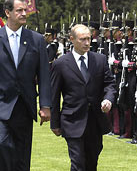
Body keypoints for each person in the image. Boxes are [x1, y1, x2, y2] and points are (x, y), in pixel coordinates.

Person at [0, 0, 52, 171]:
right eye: (19, 10)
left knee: (22, 154)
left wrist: (45, 105)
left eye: (25, 10)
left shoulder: (37, 39)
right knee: (1, 144)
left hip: (24, 105)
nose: (24, 13)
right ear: (7, 12)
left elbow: (44, 75)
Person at [50, 24, 116, 171]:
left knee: (92, 162)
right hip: (72, 120)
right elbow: (54, 95)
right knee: (78, 163)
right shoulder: (60, 64)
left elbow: (110, 84)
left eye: (89, 39)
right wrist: (54, 123)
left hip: (95, 121)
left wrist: (108, 99)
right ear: (72, 39)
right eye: (82, 39)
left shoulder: (99, 60)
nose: (87, 43)